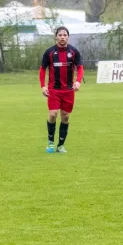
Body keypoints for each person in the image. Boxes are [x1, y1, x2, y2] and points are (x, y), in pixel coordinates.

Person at [39, 26, 84, 154]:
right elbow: (42, 69)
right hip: (54, 90)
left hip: (69, 91)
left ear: (68, 37)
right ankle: (51, 142)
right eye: (60, 35)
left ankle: (60, 145)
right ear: (56, 37)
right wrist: (43, 86)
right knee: (53, 114)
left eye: (65, 35)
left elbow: (80, 67)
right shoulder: (49, 52)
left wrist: (78, 82)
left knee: (65, 117)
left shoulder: (74, 52)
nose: (62, 37)